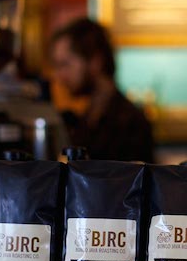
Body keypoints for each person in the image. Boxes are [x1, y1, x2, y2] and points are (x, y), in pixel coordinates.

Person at [50, 18, 154, 163]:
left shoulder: (131, 124)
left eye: (65, 64)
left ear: (95, 61)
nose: (59, 76)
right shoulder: (88, 118)